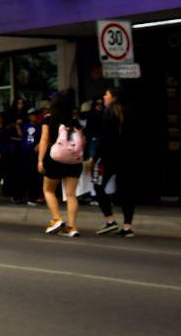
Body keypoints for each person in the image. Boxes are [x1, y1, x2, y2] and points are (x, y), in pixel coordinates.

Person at [38, 90, 85, 237]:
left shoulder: (48, 120)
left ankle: (56, 218)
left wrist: (40, 160)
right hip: (74, 161)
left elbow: (44, 141)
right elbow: (82, 142)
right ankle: (72, 227)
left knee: (48, 190)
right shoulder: (75, 122)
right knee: (71, 195)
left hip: (55, 159)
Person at [91, 86, 135, 237]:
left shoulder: (108, 114)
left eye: (106, 94)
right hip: (127, 158)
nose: (104, 97)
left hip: (108, 158)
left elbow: (104, 139)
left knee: (97, 185)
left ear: (113, 98)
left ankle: (110, 220)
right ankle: (127, 226)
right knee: (127, 191)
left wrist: (95, 157)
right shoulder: (130, 113)